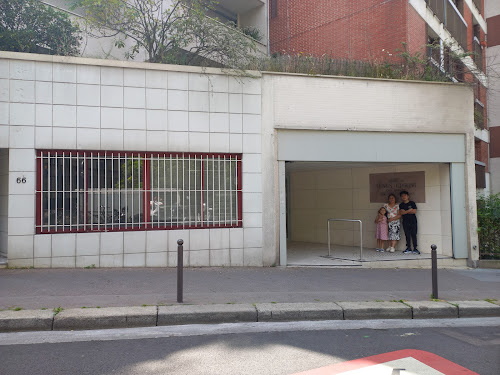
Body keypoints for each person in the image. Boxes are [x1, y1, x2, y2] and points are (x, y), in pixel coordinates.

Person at [399, 190, 419, 254]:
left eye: (405, 195)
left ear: (408, 196)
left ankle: (415, 248)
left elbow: (414, 211)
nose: (404, 197)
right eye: (402, 196)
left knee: (414, 234)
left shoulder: (412, 203)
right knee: (407, 235)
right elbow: (401, 213)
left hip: (413, 221)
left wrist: (406, 211)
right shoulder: (401, 205)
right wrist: (409, 210)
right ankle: (408, 248)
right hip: (405, 221)